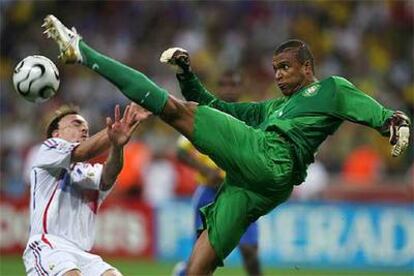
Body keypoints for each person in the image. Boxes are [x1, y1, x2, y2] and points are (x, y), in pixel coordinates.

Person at [42, 15, 411, 275]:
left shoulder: (330, 89)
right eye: (276, 68)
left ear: (307, 67)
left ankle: (82, 51)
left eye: (286, 67)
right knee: (198, 264)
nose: (279, 74)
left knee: (173, 111)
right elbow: (219, 108)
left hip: (270, 158)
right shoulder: (275, 108)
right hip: (255, 184)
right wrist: (187, 75)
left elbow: (368, 109)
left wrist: (390, 121)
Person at [22, 103, 149, 276]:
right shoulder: (48, 149)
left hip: (82, 253)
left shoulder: (87, 171)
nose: (84, 129)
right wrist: (121, 126)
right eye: (76, 124)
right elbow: (83, 152)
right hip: (48, 245)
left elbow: (108, 176)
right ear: (56, 134)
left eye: (86, 128)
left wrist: (117, 146)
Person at [174, 71, 261, 276]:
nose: (229, 89)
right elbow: (181, 151)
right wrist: (206, 170)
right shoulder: (207, 114)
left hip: (242, 192)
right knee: (203, 253)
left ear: (241, 89)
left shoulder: (251, 116)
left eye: (234, 85)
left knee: (250, 250)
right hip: (209, 193)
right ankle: (185, 272)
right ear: (218, 88)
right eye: (224, 85)